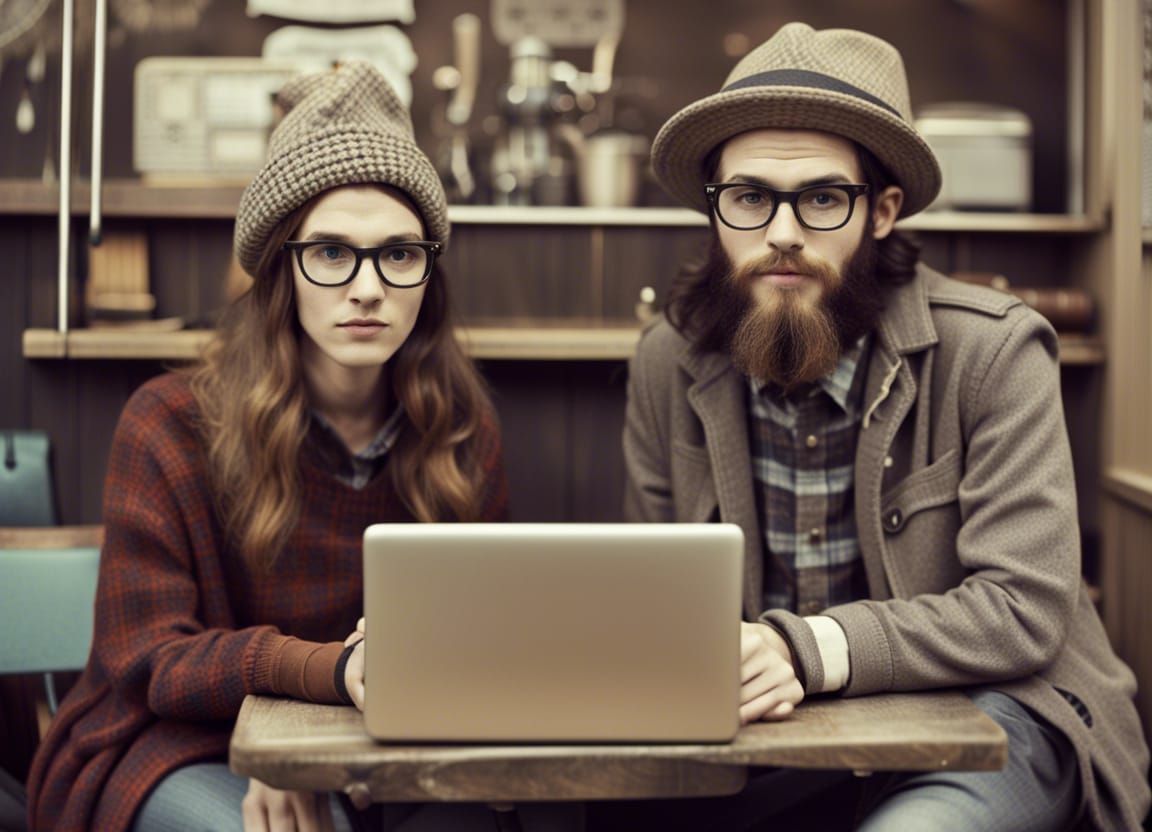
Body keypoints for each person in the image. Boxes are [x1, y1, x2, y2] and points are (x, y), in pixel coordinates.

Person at [616, 22, 1151, 831]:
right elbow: (652, 601)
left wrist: (806, 649)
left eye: (824, 198)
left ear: (883, 211)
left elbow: (1023, 609)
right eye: (751, 196)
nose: (783, 232)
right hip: (765, 737)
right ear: (715, 208)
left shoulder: (995, 348)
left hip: (995, 717)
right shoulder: (670, 361)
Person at [26, 62, 513, 831]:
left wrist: (329, 756)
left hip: (383, 748)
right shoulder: (169, 424)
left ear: (427, 273)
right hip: (172, 741)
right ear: (280, 269)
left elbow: (479, 640)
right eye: (330, 252)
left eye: (399, 252)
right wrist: (299, 718)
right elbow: (149, 657)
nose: (368, 287)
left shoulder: (457, 431)